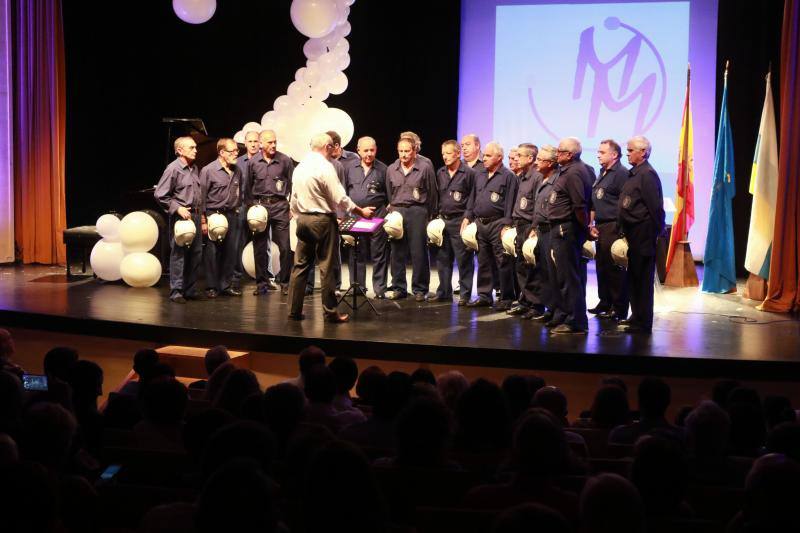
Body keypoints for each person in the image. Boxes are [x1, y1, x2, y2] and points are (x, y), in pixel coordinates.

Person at [287, 133, 375, 323]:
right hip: (322, 220)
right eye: (332, 147)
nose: (334, 151)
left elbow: (293, 197)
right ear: (327, 147)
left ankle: (294, 311)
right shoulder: (324, 167)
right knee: (327, 267)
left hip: (302, 219)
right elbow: (340, 197)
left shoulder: (300, 167)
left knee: (300, 266)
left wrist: (297, 215)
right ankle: (330, 312)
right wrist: (360, 212)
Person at [543, 137, 592, 334]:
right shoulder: (570, 170)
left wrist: (585, 228)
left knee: (569, 278)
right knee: (563, 277)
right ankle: (565, 315)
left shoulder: (574, 172)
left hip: (566, 230)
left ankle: (576, 322)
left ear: (570, 154)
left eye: (560, 151)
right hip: (561, 228)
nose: (557, 153)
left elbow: (579, 206)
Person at [617, 136, 665, 333]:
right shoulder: (634, 173)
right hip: (633, 234)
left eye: (630, 150)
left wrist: (654, 233)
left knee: (643, 280)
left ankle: (643, 322)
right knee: (634, 278)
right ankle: (635, 316)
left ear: (643, 152)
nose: (627, 153)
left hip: (643, 234)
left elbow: (655, 207)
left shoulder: (648, 174)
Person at [386, 136, 438, 301]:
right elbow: (390, 193)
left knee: (419, 252)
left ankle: (420, 289)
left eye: (407, 151)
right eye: (401, 151)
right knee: (397, 252)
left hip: (417, 211)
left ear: (415, 151)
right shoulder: (391, 169)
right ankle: (399, 287)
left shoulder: (425, 167)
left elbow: (432, 193)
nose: (404, 155)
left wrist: (429, 216)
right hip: (398, 211)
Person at [467, 141, 518, 309]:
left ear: (499, 158)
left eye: (488, 156)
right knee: (483, 261)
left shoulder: (508, 176)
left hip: (498, 223)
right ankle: (484, 295)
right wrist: (468, 217)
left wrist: (507, 223)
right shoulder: (479, 173)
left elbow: (510, 202)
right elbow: (473, 197)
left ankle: (506, 297)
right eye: (484, 155)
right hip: (481, 223)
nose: (484, 158)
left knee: (502, 261)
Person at [154, 136, 203, 303]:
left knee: (196, 254)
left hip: (195, 216)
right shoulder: (173, 169)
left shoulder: (194, 168)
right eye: (192, 147)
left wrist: (202, 216)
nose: (196, 150)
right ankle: (176, 291)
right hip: (181, 218)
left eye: (195, 147)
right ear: (179, 150)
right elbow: (160, 194)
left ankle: (189, 289)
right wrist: (178, 208)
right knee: (179, 254)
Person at [342, 136, 390, 298]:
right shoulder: (349, 168)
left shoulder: (383, 169)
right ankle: (357, 287)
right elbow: (343, 194)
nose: (369, 154)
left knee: (379, 254)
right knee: (356, 252)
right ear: (358, 150)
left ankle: (380, 289)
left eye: (372, 150)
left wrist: (384, 214)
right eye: (366, 150)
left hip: (377, 217)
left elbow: (390, 197)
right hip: (356, 216)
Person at [248, 129, 294, 295]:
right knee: (259, 247)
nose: (273, 145)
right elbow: (248, 187)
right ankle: (261, 284)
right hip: (260, 208)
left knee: (285, 247)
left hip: (280, 206)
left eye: (275, 141)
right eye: (269, 142)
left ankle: (286, 283)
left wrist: (290, 205)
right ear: (261, 144)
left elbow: (292, 184)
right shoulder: (253, 162)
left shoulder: (285, 160)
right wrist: (253, 207)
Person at [588, 139, 629, 320]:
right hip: (601, 226)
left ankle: (618, 307)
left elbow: (624, 203)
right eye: (598, 151)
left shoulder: (621, 174)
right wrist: (591, 224)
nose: (598, 154)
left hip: (614, 225)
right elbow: (595, 201)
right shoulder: (602, 172)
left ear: (614, 155)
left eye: (602, 152)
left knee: (614, 269)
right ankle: (604, 301)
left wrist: (621, 230)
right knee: (601, 266)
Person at [432, 140, 476, 304]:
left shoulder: (469, 173)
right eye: (443, 154)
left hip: (460, 221)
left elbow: (473, 196)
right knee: (443, 258)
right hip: (444, 220)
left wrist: (468, 216)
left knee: (464, 259)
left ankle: (465, 294)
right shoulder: (440, 172)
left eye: (448, 153)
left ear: (458, 154)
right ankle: (443, 291)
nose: (445, 157)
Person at [506, 144, 546, 318]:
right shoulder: (521, 176)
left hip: (530, 225)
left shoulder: (537, 177)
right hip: (520, 224)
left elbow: (538, 204)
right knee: (521, 266)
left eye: (520, 156)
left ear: (530, 158)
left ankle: (536, 304)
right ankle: (525, 300)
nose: (516, 159)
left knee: (532, 266)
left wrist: (534, 228)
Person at [234, 131, 277, 291]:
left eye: (255, 141)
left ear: (260, 143)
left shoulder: (266, 160)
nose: (253, 144)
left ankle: (267, 277)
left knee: (264, 243)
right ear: (244, 143)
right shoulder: (238, 162)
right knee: (239, 242)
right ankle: (236, 278)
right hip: (243, 206)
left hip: (261, 207)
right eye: (249, 141)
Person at [201, 138, 244, 298]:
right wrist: (204, 221)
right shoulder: (208, 170)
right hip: (214, 214)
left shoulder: (237, 170)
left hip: (232, 214)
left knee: (230, 251)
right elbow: (201, 198)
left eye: (236, 151)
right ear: (221, 153)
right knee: (212, 251)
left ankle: (225, 285)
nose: (236, 154)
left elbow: (239, 191)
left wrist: (237, 208)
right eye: (232, 151)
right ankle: (211, 286)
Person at [528, 145, 560, 323]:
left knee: (553, 273)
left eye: (540, 160)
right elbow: (537, 208)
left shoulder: (556, 181)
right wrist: (534, 227)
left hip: (551, 230)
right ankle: (549, 308)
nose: (537, 162)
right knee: (544, 273)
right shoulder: (541, 179)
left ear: (550, 163)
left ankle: (557, 310)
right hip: (540, 230)